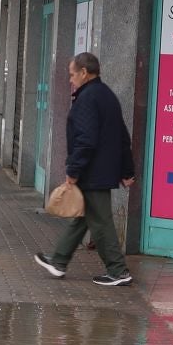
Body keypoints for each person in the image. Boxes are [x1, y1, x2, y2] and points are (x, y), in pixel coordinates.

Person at [34, 51, 135, 287]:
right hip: (101, 170)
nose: (70, 79)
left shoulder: (88, 99)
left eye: (72, 74)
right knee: (84, 217)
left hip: (93, 171)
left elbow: (86, 139)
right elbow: (122, 136)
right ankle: (59, 261)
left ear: (84, 73)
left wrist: (73, 169)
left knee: (100, 221)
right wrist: (127, 170)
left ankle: (118, 271)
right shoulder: (107, 95)